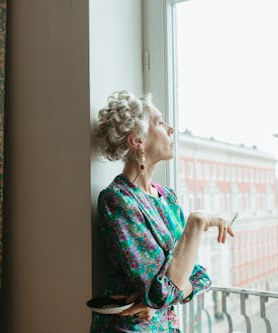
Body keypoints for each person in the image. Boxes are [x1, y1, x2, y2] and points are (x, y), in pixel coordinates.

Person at [90, 91, 234, 332]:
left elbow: (199, 277)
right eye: (159, 122)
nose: (170, 129)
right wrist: (197, 222)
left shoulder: (167, 198)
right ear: (137, 140)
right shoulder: (118, 200)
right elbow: (160, 291)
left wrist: (160, 301)